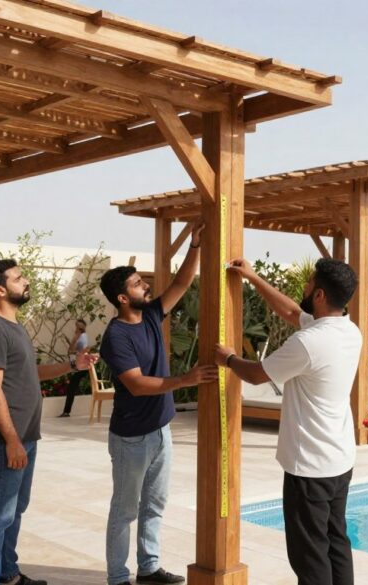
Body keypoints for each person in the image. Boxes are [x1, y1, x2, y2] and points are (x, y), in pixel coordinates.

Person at [216, 257, 360, 585]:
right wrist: (253, 277)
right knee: (336, 540)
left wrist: (227, 358)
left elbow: (255, 375)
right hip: (339, 461)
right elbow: (293, 313)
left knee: (310, 556)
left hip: (309, 466)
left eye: (310, 283)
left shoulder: (308, 343)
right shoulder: (349, 331)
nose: (305, 287)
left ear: (320, 295)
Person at [98, 223, 215, 585]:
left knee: (154, 506)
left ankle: (148, 568)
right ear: (121, 297)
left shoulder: (150, 315)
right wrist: (184, 380)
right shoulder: (116, 336)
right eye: (136, 284)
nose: (145, 285)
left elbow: (181, 283)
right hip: (132, 438)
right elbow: (135, 384)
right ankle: (118, 577)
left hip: (162, 432)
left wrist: (194, 245)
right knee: (125, 510)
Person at [0, 259, 97, 585]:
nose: (25, 281)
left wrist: (73, 364)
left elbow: (30, 374)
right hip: (4, 440)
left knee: (13, 510)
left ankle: (8, 574)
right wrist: (12, 440)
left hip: (24, 436)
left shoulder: (13, 326)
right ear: (0, 290)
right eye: (18, 278)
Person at [58, 319, 89, 417]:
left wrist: (77, 353)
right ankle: (66, 411)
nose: (76, 328)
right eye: (76, 326)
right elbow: (70, 350)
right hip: (78, 365)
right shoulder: (78, 337)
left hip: (82, 366)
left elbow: (83, 350)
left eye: (79, 326)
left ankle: (66, 412)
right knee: (72, 386)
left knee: (72, 386)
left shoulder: (83, 337)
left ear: (82, 328)